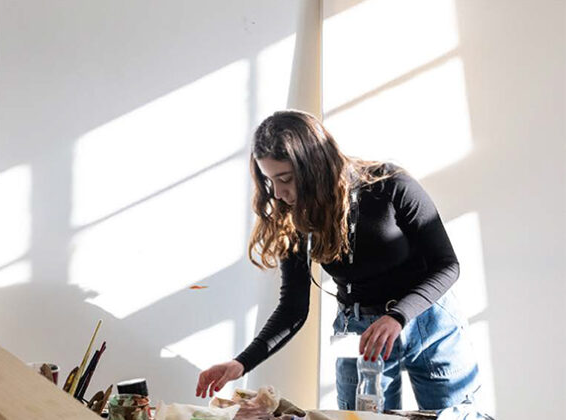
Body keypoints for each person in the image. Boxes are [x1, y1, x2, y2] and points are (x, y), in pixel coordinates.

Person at [195, 110, 480, 411]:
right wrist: (241, 363)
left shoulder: (390, 185)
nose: (278, 193)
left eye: (286, 179)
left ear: (313, 167)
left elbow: (447, 265)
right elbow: (293, 307)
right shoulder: (292, 215)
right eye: (270, 181)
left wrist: (397, 316)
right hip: (360, 331)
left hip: (429, 321)